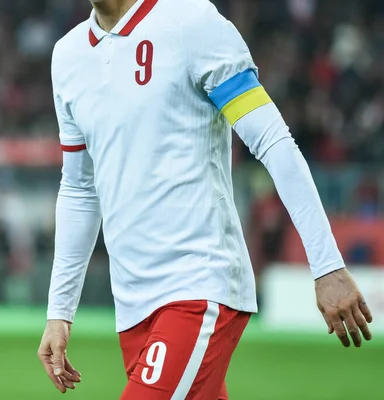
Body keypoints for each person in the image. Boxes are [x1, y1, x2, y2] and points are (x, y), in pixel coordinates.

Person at [37, 1, 373, 399]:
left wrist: (327, 265)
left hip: (198, 284)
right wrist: (59, 311)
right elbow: (79, 187)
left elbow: (274, 142)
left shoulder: (191, 23)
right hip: (132, 305)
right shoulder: (69, 55)